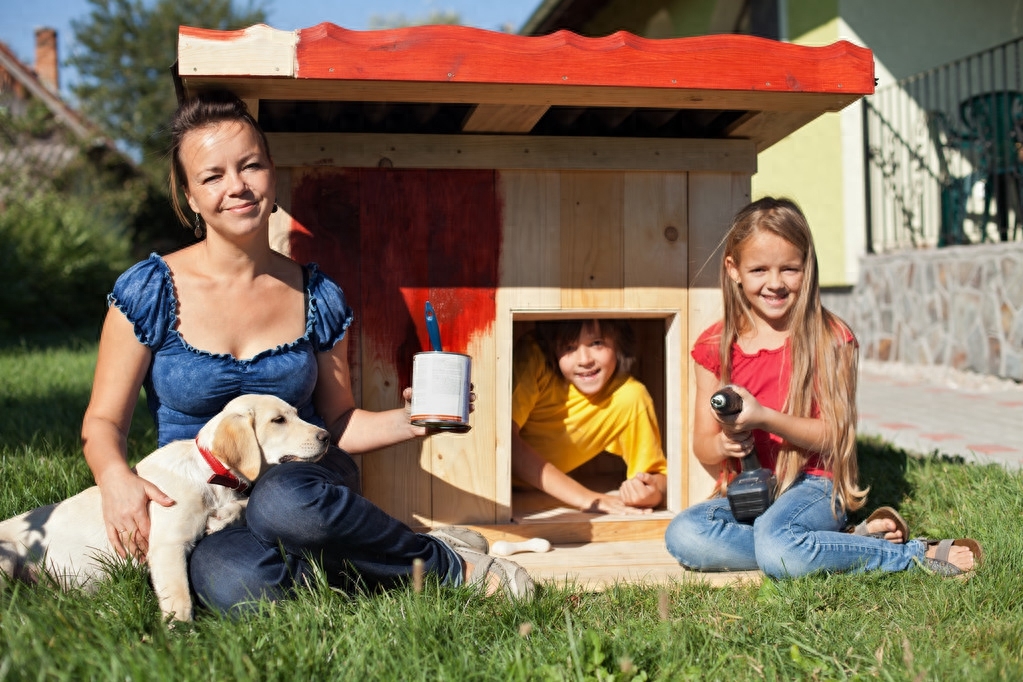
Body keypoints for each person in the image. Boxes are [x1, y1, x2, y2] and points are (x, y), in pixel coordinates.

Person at [80, 90, 532, 615]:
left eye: (251, 166)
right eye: (213, 176)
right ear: (188, 193)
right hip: (205, 499)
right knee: (238, 588)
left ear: (272, 171)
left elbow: (338, 421)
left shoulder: (316, 295)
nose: (237, 187)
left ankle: (444, 564)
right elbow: (103, 422)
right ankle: (368, 555)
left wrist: (413, 420)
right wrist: (115, 479)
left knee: (283, 504)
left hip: (304, 480)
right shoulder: (150, 290)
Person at [664, 197, 982, 577]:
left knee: (776, 542)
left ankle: (912, 555)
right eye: (759, 269)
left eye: (790, 269)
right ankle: (842, 544)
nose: (775, 283)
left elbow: (836, 434)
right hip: (753, 493)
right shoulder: (714, 346)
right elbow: (702, 444)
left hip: (815, 486)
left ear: (807, 266)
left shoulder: (830, 339)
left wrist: (764, 417)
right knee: (685, 533)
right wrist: (723, 444)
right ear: (733, 270)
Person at [511, 319, 668, 515]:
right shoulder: (533, 358)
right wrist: (587, 498)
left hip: (536, 496)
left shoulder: (630, 398)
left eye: (596, 343)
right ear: (552, 347)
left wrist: (651, 493)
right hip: (492, 486)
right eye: (569, 347)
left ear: (618, 342)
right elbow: (504, 441)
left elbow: (656, 477)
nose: (584, 360)